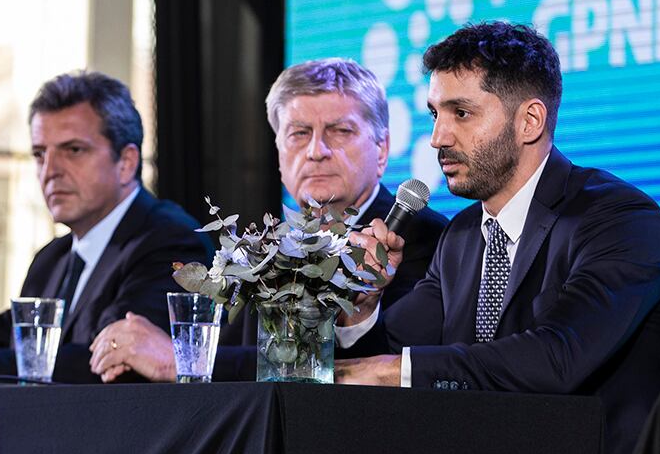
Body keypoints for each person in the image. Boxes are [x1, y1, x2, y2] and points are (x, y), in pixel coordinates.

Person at [339, 21, 660, 454]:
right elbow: (386, 360)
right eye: (434, 114)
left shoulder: (619, 219)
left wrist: (393, 370)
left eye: (461, 113)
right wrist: (360, 312)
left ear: (530, 121)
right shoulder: (462, 235)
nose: (437, 138)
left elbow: (558, 357)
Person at [88, 57, 449, 382]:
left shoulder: (423, 239)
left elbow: (388, 369)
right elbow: (241, 360)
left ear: (382, 149)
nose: (316, 151)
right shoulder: (266, 246)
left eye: (340, 131)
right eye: (299, 133)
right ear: (278, 154)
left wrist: (182, 361)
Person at [0, 70, 211, 384]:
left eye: (73, 150)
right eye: (39, 154)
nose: (49, 171)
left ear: (126, 163)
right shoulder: (53, 257)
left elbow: (112, 363)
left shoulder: (170, 242)